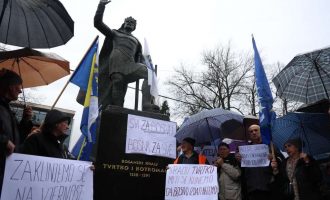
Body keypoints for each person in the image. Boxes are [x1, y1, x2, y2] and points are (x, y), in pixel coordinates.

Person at [94, 0, 158, 111]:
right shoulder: (115, 33)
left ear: (134, 27)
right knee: (118, 84)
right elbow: (98, 23)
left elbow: (141, 58)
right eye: (128, 22)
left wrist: (147, 62)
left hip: (130, 64)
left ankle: (146, 104)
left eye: (132, 23)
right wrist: (101, 6)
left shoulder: (136, 41)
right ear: (124, 23)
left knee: (149, 73)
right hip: (116, 63)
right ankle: (116, 108)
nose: (130, 23)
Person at [0, 69, 33, 194]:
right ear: (10, 87)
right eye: (19, 85)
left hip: (6, 172)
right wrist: (4, 141)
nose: (20, 90)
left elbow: (17, 139)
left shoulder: (7, 109)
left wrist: (25, 120)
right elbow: (5, 140)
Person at [235, 124, 283, 200]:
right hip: (252, 188)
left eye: (256, 130)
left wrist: (274, 158)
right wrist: (239, 161)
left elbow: (281, 161)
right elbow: (242, 170)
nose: (253, 132)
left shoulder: (270, 146)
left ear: (260, 132)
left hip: (269, 187)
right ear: (249, 135)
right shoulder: (245, 150)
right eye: (251, 131)